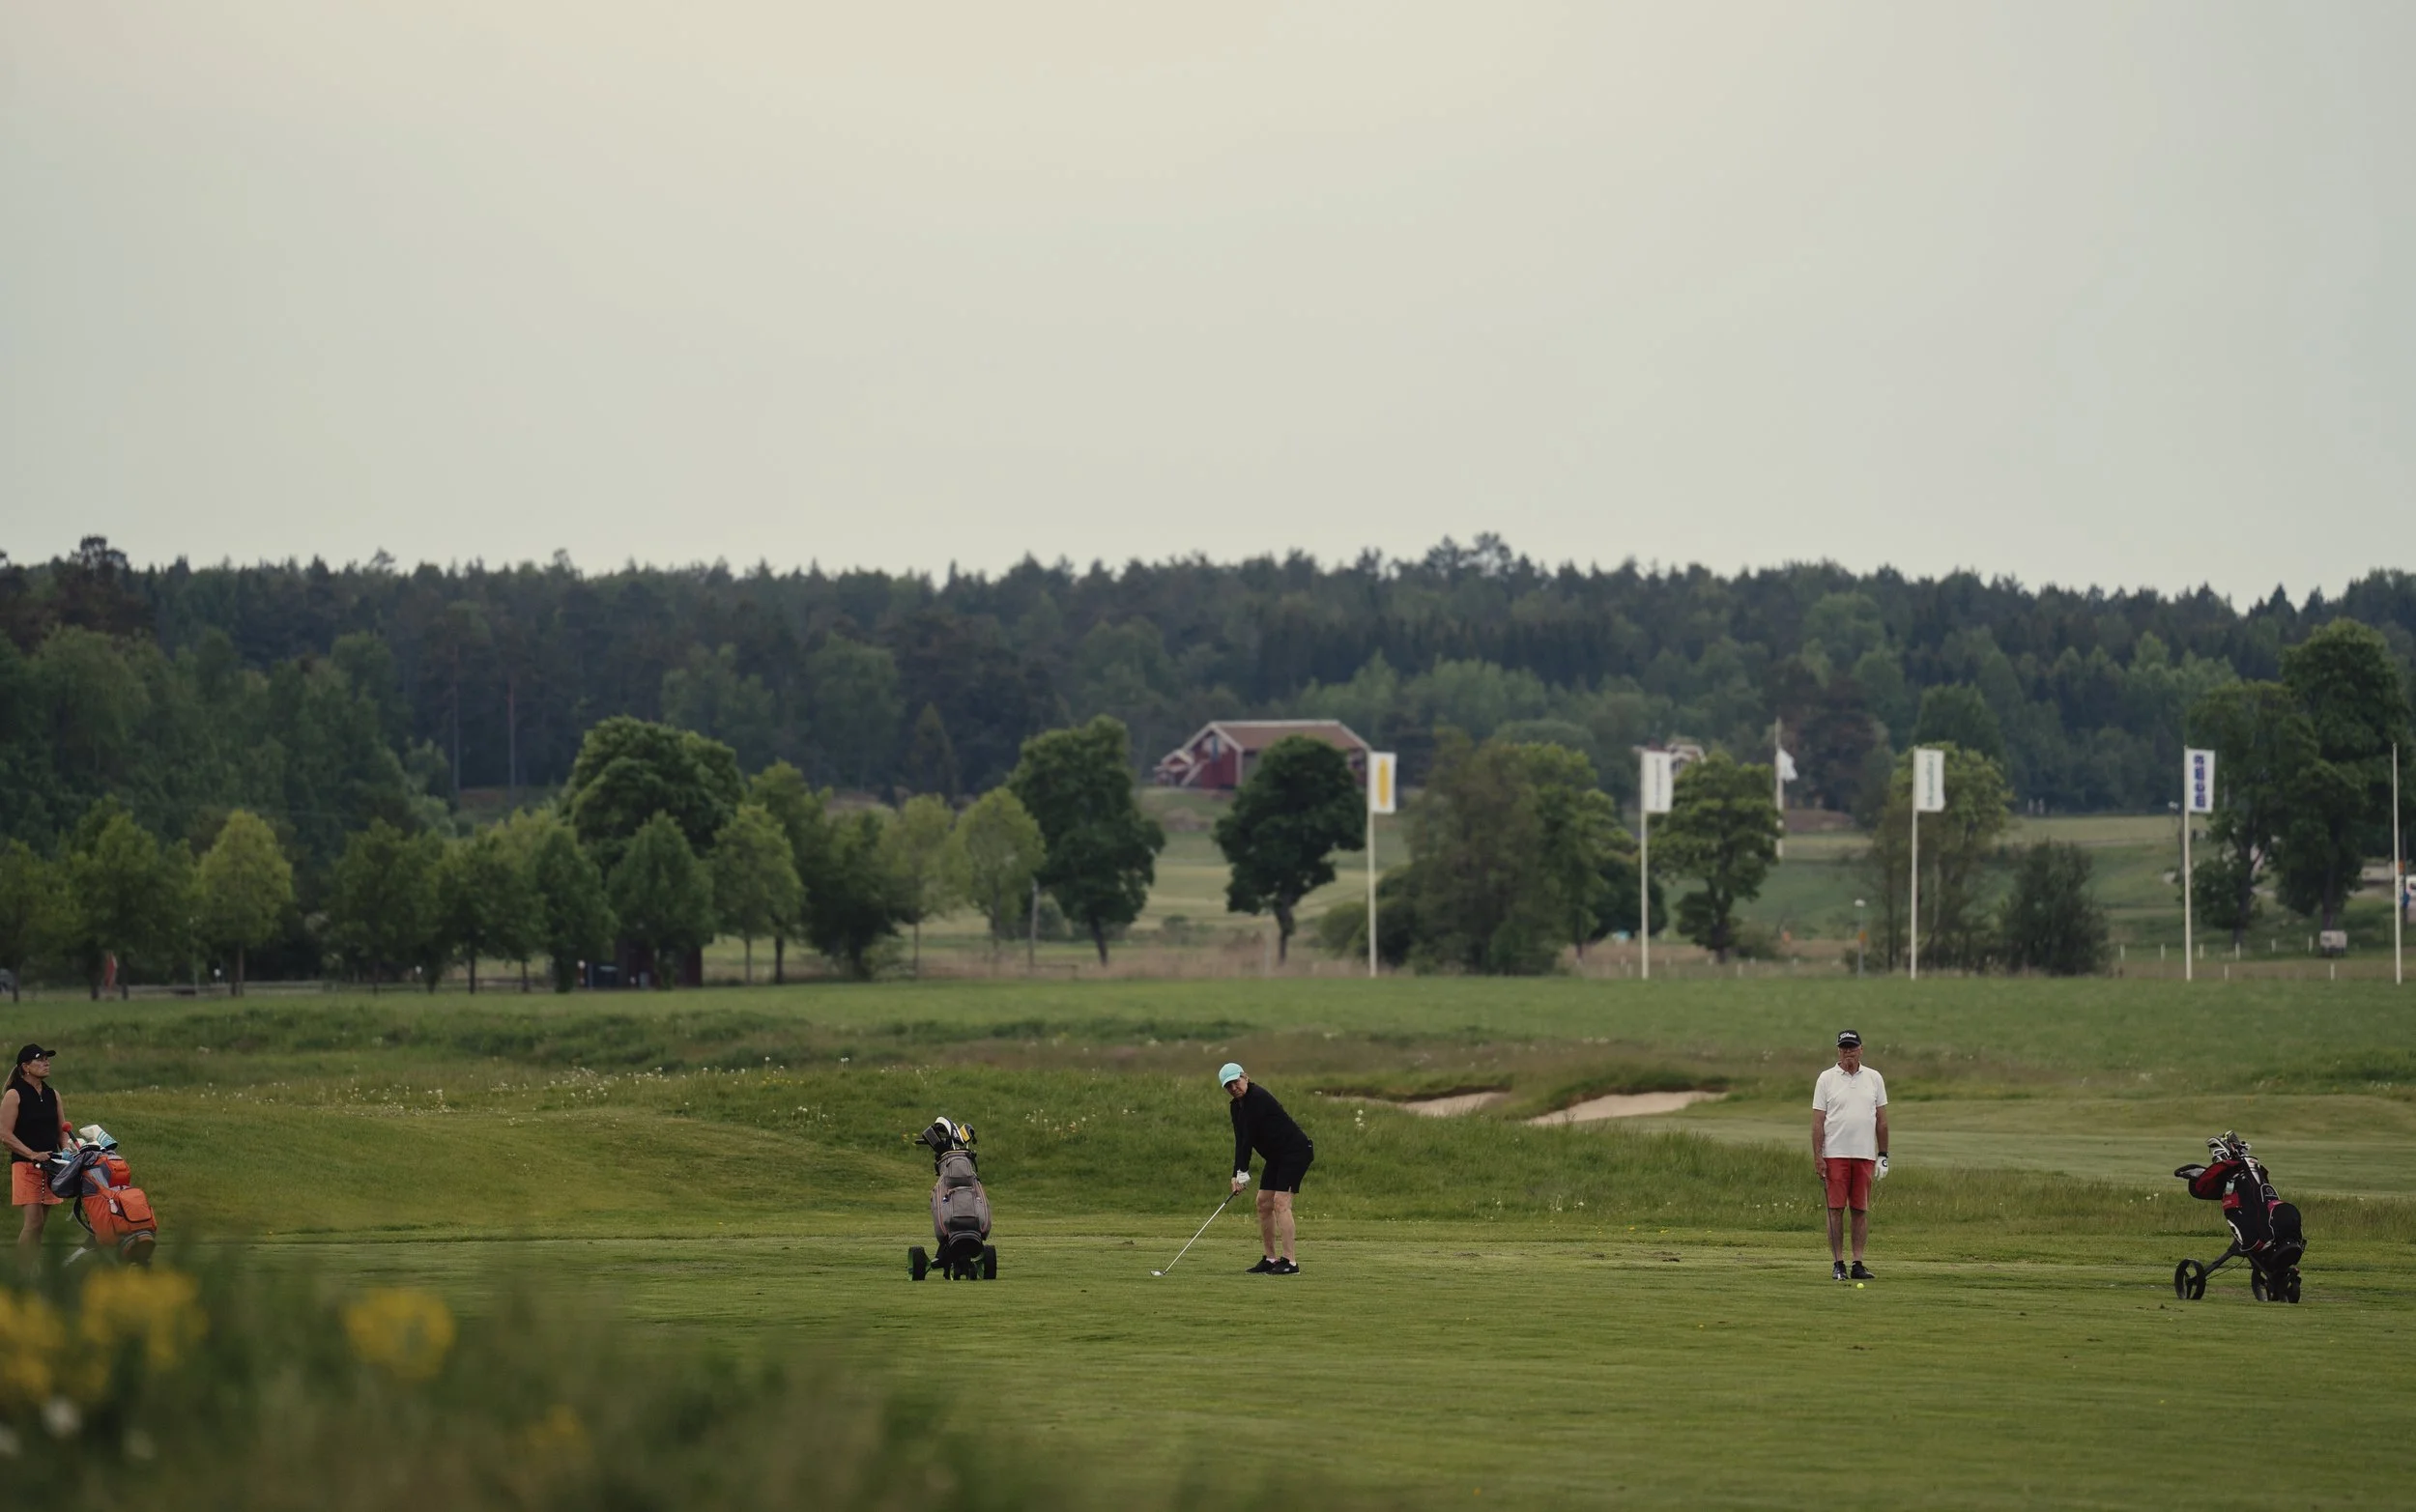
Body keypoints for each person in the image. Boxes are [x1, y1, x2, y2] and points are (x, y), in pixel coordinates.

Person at [1222, 1063, 1313, 1275]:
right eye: (1228, 1086)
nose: (1234, 1087)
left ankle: (1290, 1262)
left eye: (1236, 1082)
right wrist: (1236, 1174)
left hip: (1295, 1152)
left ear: (1245, 1077)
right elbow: (1240, 1141)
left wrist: (1243, 1172)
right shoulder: (1236, 1107)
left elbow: (1250, 1138)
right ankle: (1271, 1259)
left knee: (1280, 1203)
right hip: (1276, 1156)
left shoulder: (1258, 1098)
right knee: (1263, 1203)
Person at [1811, 1029, 1887, 1282]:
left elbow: (1882, 1121)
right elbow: (1818, 1122)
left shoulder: (1874, 1078)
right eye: (1844, 1048)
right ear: (1838, 1050)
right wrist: (1818, 1156)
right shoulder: (1826, 1078)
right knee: (1835, 1209)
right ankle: (1838, 1264)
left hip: (1864, 1154)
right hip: (1835, 1154)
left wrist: (1883, 1154)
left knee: (1859, 1209)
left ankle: (1857, 1263)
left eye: (1852, 1048)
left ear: (1861, 1049)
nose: (1848, 1053)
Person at [4, 1044, 70, 1264]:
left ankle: (32, 1269)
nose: (46, 1063)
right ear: (25, 1067)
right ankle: (20, 1272)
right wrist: (31, 1154)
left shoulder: (53, 1094)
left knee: (40, 1225)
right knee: (32, 1223)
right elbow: (4, 1134)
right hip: (25, 1166)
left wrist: (69, 1151)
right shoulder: (15, 1094)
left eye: (47, 1059)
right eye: (40, 1060)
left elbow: (62, 1132)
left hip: (51, 1167)